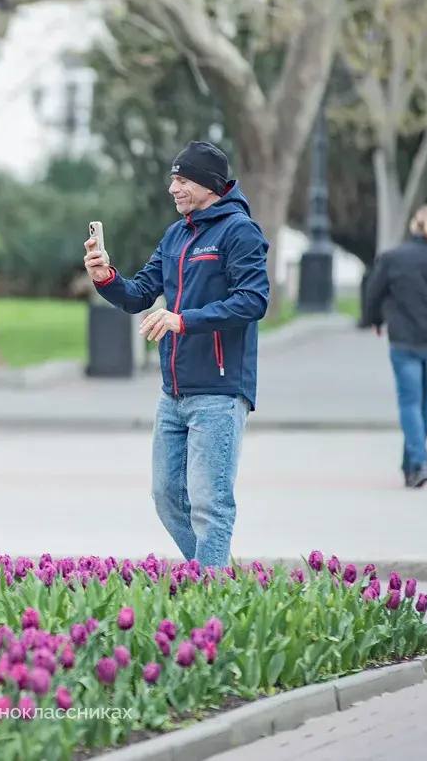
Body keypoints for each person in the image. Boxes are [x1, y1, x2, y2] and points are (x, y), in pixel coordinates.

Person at [83, 141, 269, 569]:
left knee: (210, 504)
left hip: (219, 392)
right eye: (173, 178)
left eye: (182, 179)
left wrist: (182, 320)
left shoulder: (240, 232)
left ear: (209, 185)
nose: (173, 188)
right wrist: (105, 276)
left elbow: (253, 301)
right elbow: (138, 295)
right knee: (167, 498)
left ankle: (211, 595)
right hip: (174, 393)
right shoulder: (176, 235)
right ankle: (215, 575)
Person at [363, 204, 427, 489]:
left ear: (414, 226)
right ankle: (416, 464)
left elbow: (373, 292)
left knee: (410, 403)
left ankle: (415, 464)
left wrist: (374, 320)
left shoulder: (393, 259)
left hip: (403, 340)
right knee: (423, 405)